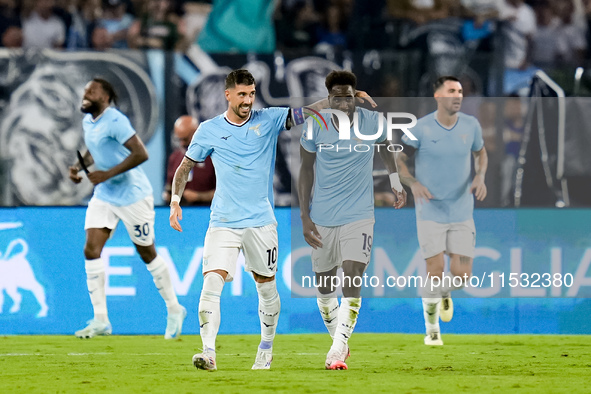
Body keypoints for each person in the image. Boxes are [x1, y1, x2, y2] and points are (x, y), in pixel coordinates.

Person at [169, 69, 375, 371]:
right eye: (242, 94)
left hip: (261, 223)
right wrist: (175, 202)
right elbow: (185, 167)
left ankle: (265, 348)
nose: (248, 101)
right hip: (223, 221)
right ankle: (208, 351)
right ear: (228, 95)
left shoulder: (268, 118)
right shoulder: (209, 130)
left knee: (266, 288)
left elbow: (310, 112)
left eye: (251, 94)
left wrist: (344, 97)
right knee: (211, 282)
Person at [298, 70, 407, 370]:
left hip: (359, 215)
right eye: (337, 97)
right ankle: (340, 341)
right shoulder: (314, 124)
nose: (344, 102)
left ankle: (336, 350)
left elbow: (385, 146)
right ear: (329, 99)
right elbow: (305, 170)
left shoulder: (373, 121)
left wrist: (395, 181)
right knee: (324, 289)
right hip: (321, 217)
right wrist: (305, 217)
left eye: (349, 96)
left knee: (352, 275)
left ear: (356, 97)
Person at [69, 78, 186, 339]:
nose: (86, 94)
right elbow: (94, 149)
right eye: (85, 90)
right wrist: (78, 166)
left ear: (106, 97)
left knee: (147, 253)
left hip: (133, 196)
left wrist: (108, 173)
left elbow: (141, 153)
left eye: (92, 91)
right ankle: (101, 320)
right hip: (105, 196)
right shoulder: (89, 121)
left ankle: (174, 308)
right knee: (91, 249)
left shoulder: (116, 120)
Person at [396, 76, 488, 346]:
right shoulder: (420, 128)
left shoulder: (471, 125)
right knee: (434, 270)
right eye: (451, 91)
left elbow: (481, 153)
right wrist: (412, 183)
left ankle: (444, 290)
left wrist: (480, 175)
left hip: (461, 211)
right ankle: (432, 328)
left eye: (460, 91)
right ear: (438, 95)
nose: (457, 95)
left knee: (462, 276)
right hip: (430, 211)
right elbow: (400, 160)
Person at [162, 115, 215, 206]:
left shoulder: (213, 157)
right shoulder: (174, 157)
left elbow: (225, 193)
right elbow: (169, 187)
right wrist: (168, 196)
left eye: (185, 139)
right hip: (182, 213)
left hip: (208, 211)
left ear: (196, 133)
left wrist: (198, 196)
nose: (182, 143)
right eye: (179, 139)